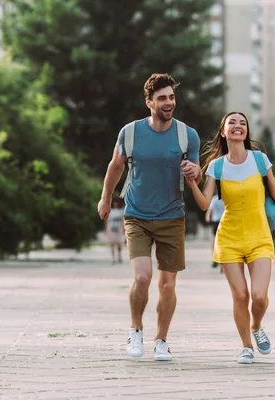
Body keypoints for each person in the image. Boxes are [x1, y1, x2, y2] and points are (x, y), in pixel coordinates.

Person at [186, 111, 275, 364]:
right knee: (240, 296)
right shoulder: (216, 166)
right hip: (229, 238)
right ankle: (246, 346)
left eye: (243, 123)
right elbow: (205, 204)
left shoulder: (260, 160)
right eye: (232, 123)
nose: (238, 126)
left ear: (246, 131)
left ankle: (256, 326)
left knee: (258, 297)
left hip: (259, 237)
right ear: (223, 132)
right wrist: (192, 183)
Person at [97, 73, 201, 361]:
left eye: (171, 97)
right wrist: (106, 198)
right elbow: (115, 167)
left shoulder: (187, 134)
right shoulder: (130, 133)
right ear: (149, 102)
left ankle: (162, 339)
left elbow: (196, 168)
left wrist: (194, 172)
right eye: (162, 98)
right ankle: (136, 330)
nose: (169, 103)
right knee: (143, 277)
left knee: (168, 285)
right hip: (137, 214)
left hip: (172, 215)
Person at [205, 194, 225, 268]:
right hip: (223, 221)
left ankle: (216, 258)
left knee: (214, 241)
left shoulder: (215, 199)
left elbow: (210, 210)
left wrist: (207, 218)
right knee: (222, 242)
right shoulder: (226, 198)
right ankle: (218, 258)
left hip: (216, 222)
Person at [106, 199, 125, 263]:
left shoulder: (121, 211)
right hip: (111, 228)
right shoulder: (110, 211)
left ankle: (119, 256)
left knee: (119, 244)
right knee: (112, 244)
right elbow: (107, 221)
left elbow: (123, 220)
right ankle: (113, 257)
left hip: (118, 228)